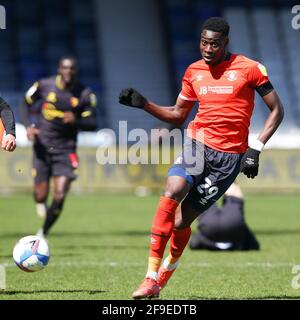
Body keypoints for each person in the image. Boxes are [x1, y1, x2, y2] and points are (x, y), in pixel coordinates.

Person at [119, 16, 284, 299]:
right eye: (204, 43)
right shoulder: (194, 71)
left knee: (180, 224)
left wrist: (256, 148)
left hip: (229, 159)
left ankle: (161, 281)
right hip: (198, 144)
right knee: (172, 189)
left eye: (214, 44)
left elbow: (277, 110)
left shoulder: (249, 69)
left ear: (225, 43)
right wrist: (144, 104)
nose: (207, 49)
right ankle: (149, 278)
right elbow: (178, 115)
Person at [19, 56, 97, 237]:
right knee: (40, 195)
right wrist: (28, 126)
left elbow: (93, 123)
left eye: (71, 68)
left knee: (60, 194)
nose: (68, 71)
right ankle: (40, 202)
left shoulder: (85, 93)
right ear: (59, 69)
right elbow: (25, 103)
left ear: (76, 71)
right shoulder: (44, 85)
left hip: (66, 149)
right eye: (65, 68)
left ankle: (42, 233)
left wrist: (76, 120)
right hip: (43, 146)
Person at [189, 182, 260, 251]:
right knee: (204, 192)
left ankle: (225, 176)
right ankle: (229, 176)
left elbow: (193, 244)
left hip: (213, 226)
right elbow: (255, 245)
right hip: (227, 225)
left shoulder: (204, 241)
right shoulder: (205, 241)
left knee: (203, 194)